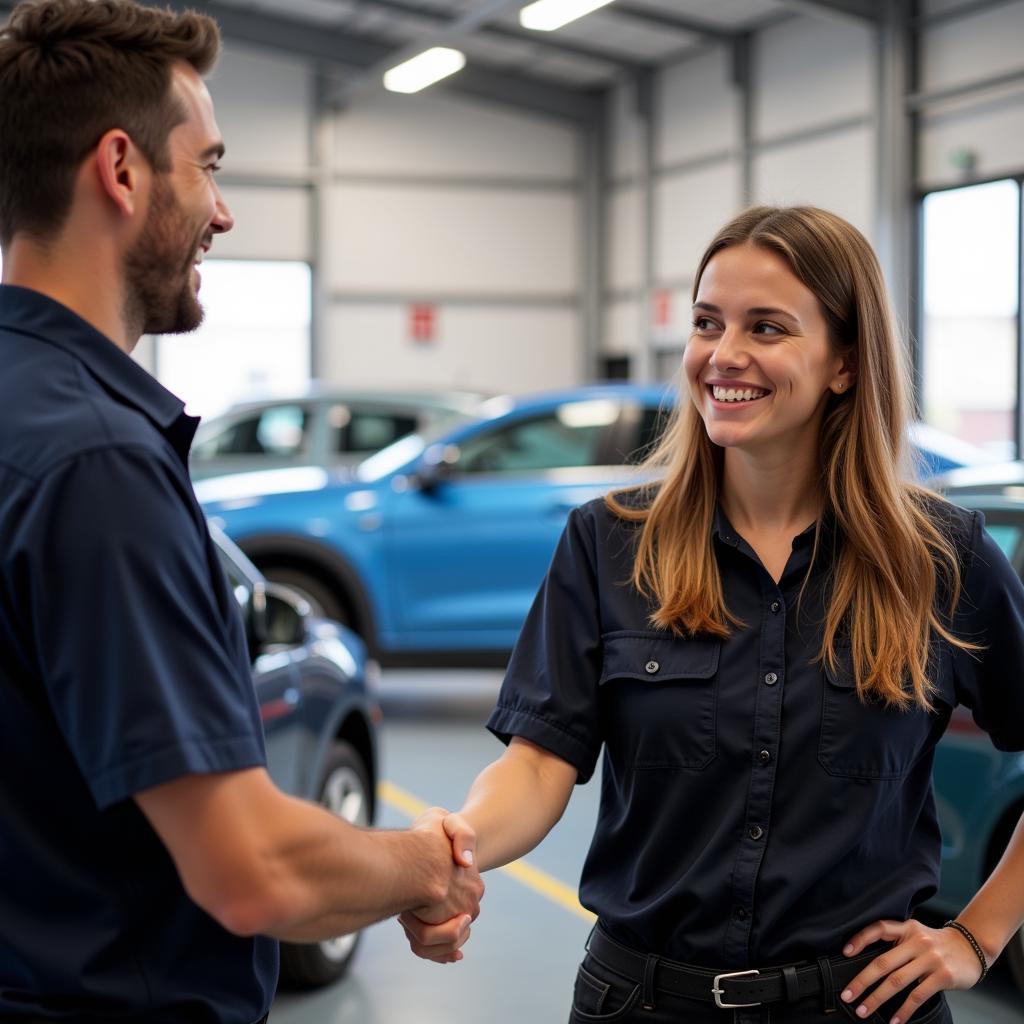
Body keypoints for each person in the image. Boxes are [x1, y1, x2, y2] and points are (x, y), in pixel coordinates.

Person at [399, 205, 1024, 1024]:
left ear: (843, 363)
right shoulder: (608, 543)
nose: (724, 356)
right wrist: (455, 851)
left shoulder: (942, 558)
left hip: (859, 1009)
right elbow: (538, 763)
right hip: (642, 1003)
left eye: (767, 328)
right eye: (707, 323)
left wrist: (978, 937)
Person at [0, 2, 481, 1021]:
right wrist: (421, 864)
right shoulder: (99, 463)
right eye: (208, 166)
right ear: (122, 171)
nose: (222, 213)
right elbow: (249, 868)